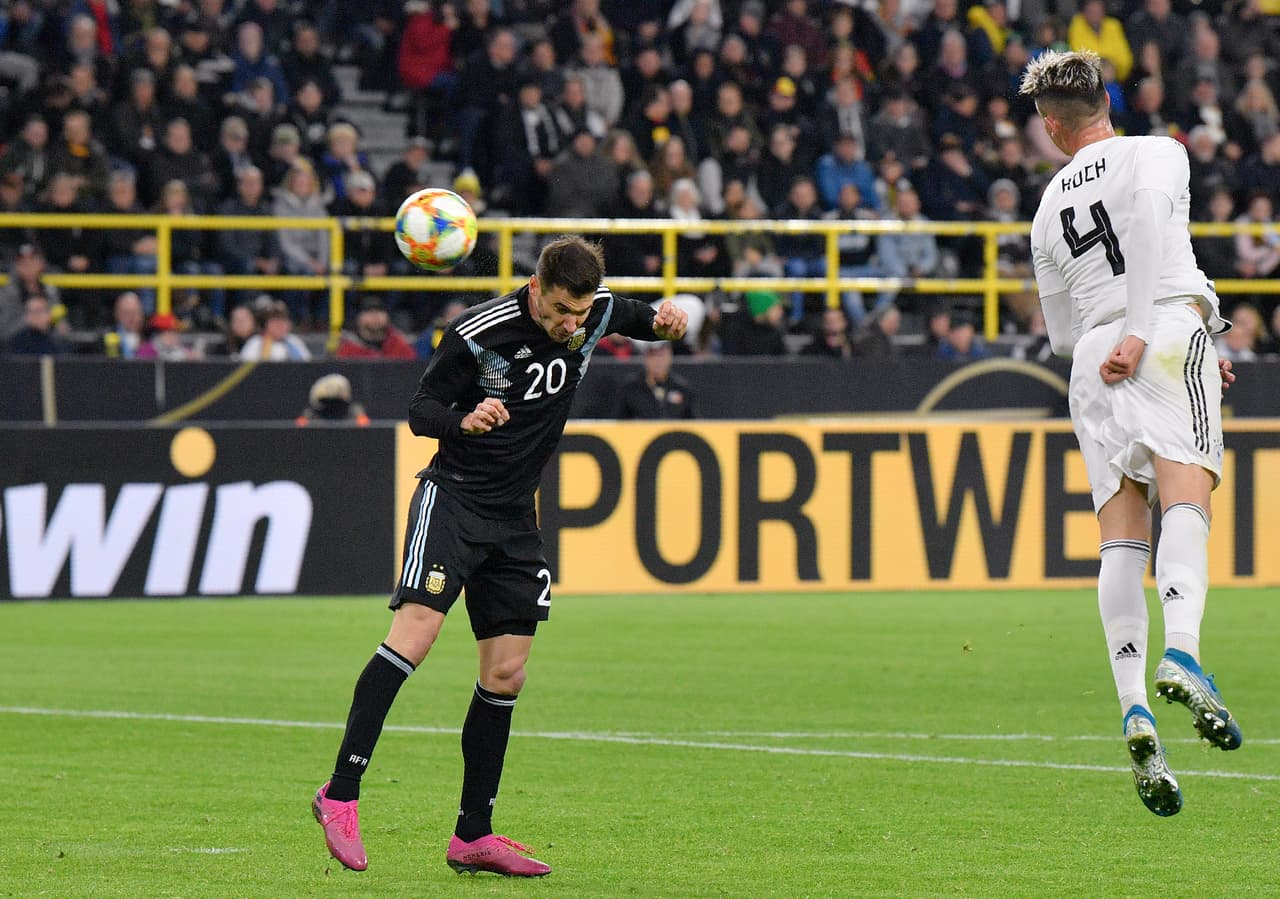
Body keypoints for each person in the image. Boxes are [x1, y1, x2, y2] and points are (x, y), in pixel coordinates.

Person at [311, 236, 688, 877]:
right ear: (537, 289)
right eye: (562, 310)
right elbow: (421, 410)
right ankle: (339, 795)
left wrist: (666, 318)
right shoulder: (480, 331)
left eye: (582, 311)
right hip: (453, 501)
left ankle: (472, 836)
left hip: (515, 519)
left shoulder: (592, 313)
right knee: (416, 636)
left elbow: (638, 317)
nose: (573, 325)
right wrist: (465, 421)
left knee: (506, 673)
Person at [1022, 49, 1241, 820]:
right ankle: (1182, 652)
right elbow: (1148, 224)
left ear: (1052, 126)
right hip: (1162, 329)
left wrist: (1115, 334)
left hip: (1090, 356)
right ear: (1106, 101)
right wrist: (1150, 329)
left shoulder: (1047, 206)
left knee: (1120, 532)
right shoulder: (1159, 152)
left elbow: (1054, 332)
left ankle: (1132, 707)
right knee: (1189, 489)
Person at [615, 340, 695, 418]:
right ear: (645, 358)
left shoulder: (682, 388)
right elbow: (620, 423)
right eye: (652, 355)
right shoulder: (631, 388)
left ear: (670, 356)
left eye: (661, 355)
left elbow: (693, 424)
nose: (657, 361)